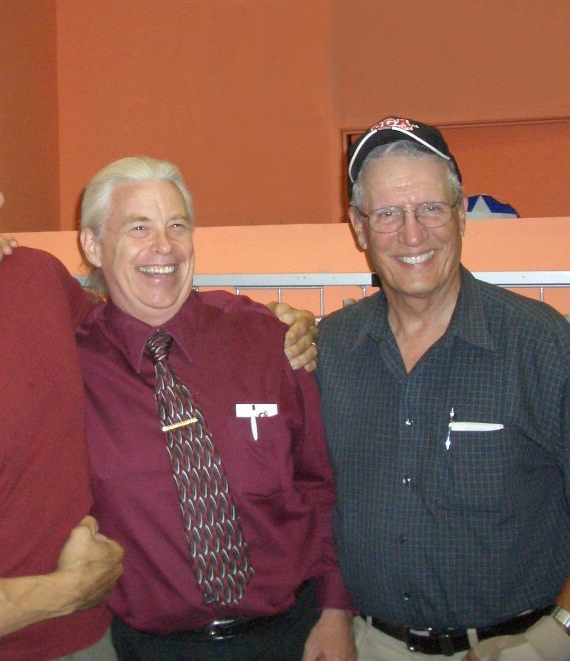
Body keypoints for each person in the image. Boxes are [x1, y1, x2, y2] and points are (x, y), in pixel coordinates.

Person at [0, 80, 320, 661]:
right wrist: (59, 595)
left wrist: (271, 322)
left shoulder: (34, 279)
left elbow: (145, 321)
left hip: (96, 642)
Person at [317, 116, 570, 660]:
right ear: (357, 226)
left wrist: (554, 638)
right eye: (388, 214)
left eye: (429, 208)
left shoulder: (540, 346)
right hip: (371, 646)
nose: (412, 234)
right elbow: (312, 501)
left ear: (461, 212)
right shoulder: (330, 349)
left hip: (517, 647)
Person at [76, 156, 355, 661]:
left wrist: (336, 610)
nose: (163, 247)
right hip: (149, 649)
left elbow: (321, 485)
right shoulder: (71, 366)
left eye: (177, 226)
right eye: (139, 227)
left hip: (291, 637)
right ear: (93, 245)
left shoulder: (265, 339)